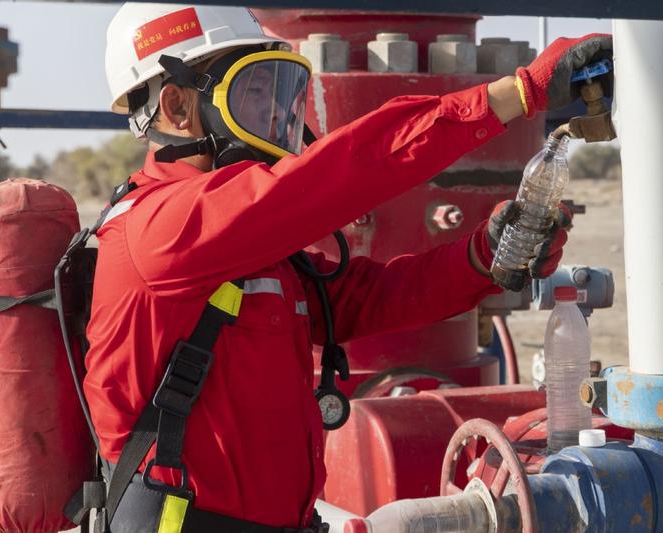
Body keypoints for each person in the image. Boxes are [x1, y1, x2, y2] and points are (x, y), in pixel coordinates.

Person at [87, 3, 612, 532]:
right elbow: (352, 168)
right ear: (176, 106)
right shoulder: (163, 226)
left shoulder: (235, 240)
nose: (273, 115)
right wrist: (515, 94)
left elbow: (356, 302)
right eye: (252, 92)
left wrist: (478, 259)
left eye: (278, 92)